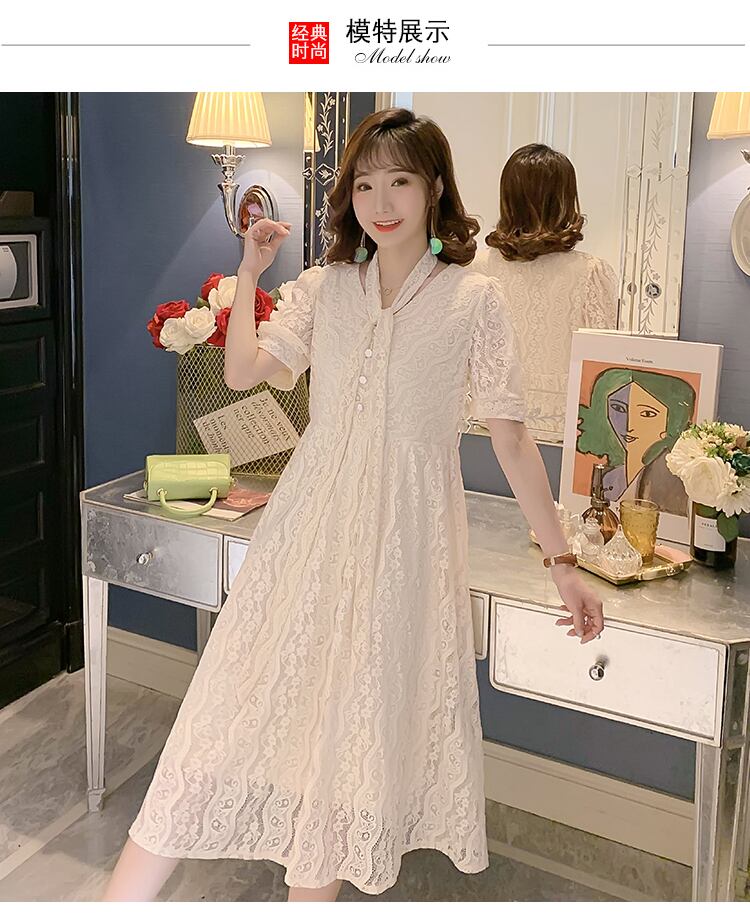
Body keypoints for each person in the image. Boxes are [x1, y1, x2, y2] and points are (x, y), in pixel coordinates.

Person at [102, 109, 604, 903]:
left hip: (407, 539)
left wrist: (563, 563)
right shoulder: (323, 288)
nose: (382, 202)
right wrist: (249, 271)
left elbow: (513, 443)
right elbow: (242, 373)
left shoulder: (474, 300)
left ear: (434, 187)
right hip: (308, 528)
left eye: (400, 180)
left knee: (351, 744)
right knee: (225, 710)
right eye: (365, 185)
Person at [471, 143, 619, 441]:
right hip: (560, 428)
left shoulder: (476, 268)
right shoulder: (589, 272)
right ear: (565, 199)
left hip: (485, 423)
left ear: (507, 197)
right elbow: (606, 367)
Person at [577, 366, 696, 517]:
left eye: (647, 414)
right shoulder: (607, 478)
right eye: (618, 408)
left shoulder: (673, 483)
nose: (629, 425)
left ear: (672, 421)